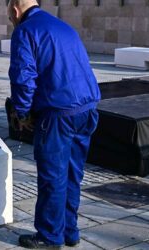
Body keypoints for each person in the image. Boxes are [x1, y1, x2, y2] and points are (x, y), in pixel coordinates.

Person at [7, 0, 100, 249]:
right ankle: (70, 230)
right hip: (87, 108)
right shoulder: (63, 26)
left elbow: (23, 78)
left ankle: (49, 236)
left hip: (59, 112)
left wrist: (23, 113)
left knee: (53, 177)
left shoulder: (25, 30)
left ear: (15, 10)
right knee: (72, 174)